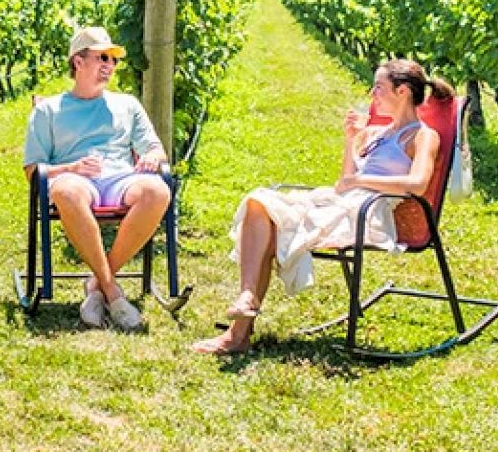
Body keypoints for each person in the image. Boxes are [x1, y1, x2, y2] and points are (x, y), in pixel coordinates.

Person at [192, 59, 452, 355]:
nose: (372, 94)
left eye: (379, 87)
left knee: (272, 223)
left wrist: (360, 179)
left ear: (402, 91)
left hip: (367, 212)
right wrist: (351, 140)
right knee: (258, 204)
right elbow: (344, 181)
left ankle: (236, 336)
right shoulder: (373, 133)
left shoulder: (422, 136)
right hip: (343, 200)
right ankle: (247, 299)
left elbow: (418, 184)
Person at [23, 26, 172, 330]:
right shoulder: (48, 110)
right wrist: (70, 168)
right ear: (78, 62)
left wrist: (152, 157)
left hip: (120, 179)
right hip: (76, 181)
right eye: (103, 57)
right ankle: (114, 293)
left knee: (157, 191)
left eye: (114, 60)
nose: (110, 65)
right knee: (66, 192)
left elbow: (156, 149)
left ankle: (98, 284)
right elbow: (32, 170)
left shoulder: (127, 105)